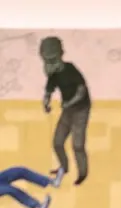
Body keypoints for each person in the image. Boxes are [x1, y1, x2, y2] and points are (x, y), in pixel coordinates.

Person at [39, 36, 91, 186]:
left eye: (51, 59)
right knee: (57, 142)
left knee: (78, 145)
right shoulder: (53, 74)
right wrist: (46, 103)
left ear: (60, 54)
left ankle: (82, 173)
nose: (48, 63)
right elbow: (48, 91)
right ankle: (64, 167)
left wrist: (69, 103)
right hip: (68, 110)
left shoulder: (70, 68)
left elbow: (81, 91)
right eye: (46, 60)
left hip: (81, 110)